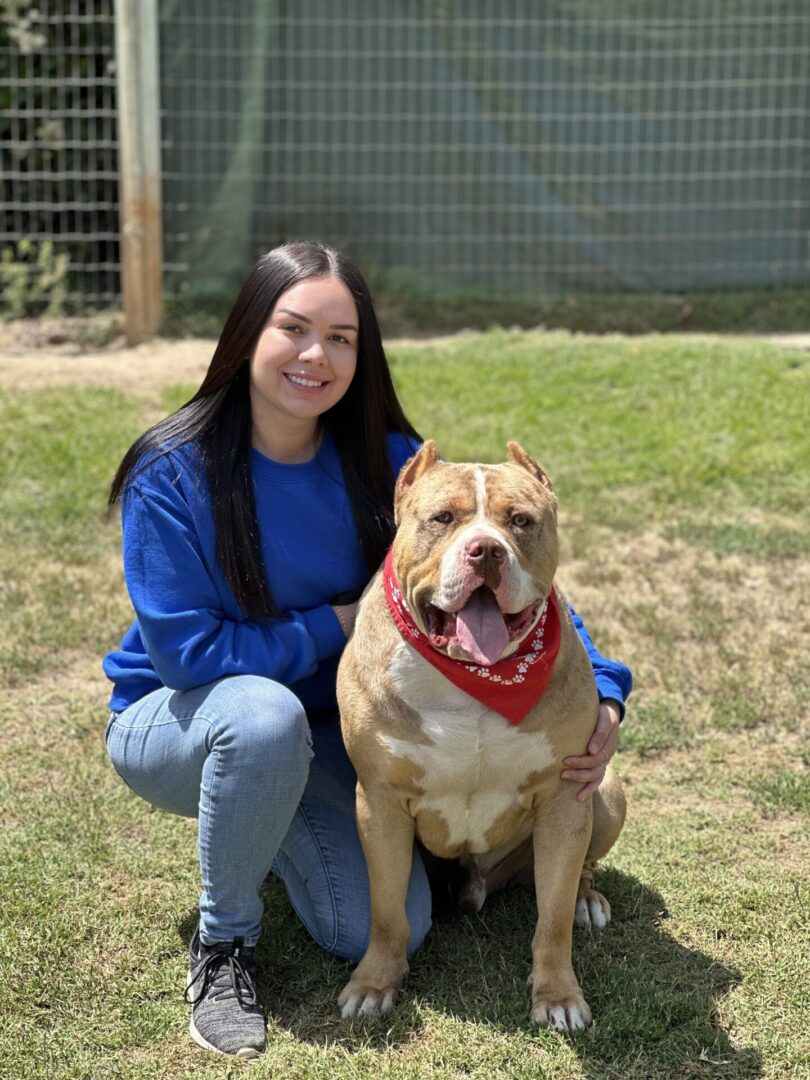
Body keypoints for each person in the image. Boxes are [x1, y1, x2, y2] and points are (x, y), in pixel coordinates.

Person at [103, 240, 632, 1059]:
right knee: (262, 720)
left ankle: (276, 817)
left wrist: (602, 688)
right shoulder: (172, 475)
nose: (316, 354)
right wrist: (342, 623)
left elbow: (529, 583)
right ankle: (223, 943)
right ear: (247, 332)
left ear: (363, 352)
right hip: (188, 719)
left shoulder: (392, 461)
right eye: (294, 327)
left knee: (383, 925)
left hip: (333, 732)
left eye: (342, 337)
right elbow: (186, 657)